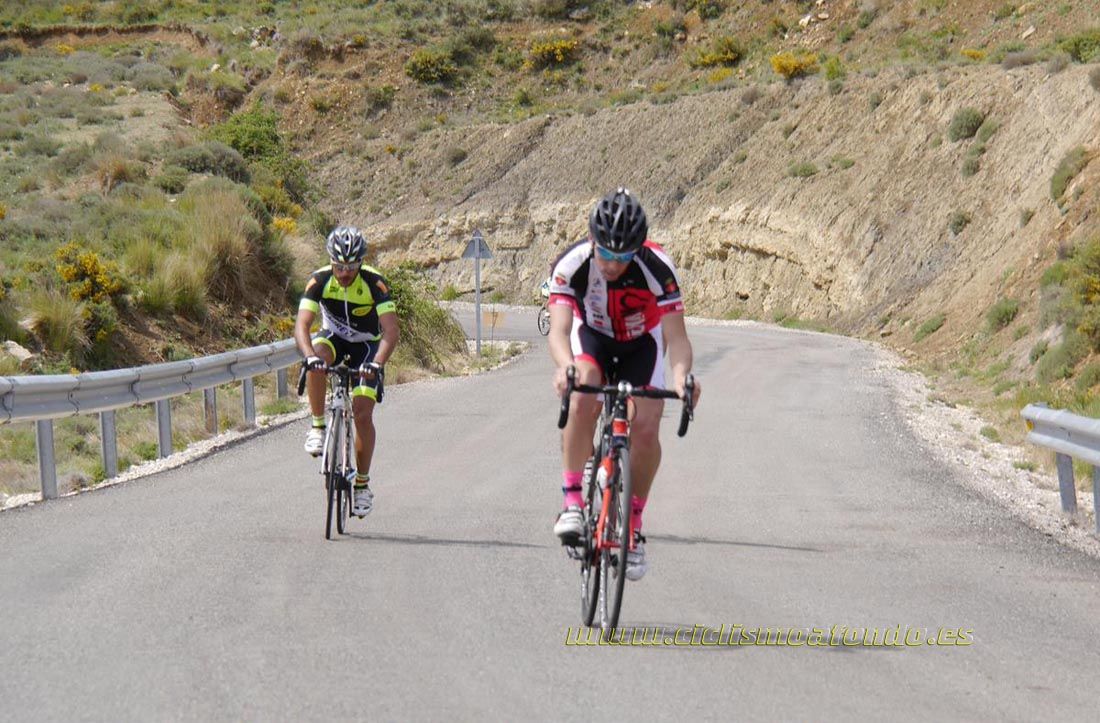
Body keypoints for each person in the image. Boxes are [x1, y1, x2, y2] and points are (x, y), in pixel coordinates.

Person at [547, 188, 701, 581]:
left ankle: (632, 529)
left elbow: (678, 339)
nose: (613, 264)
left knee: (647, 428)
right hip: (593, 338)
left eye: (623, 256)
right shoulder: (572, 263)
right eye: (606, 254)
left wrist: (683, 379)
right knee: (583, 390)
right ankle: (571, 502)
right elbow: (560, 330)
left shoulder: (658, 266)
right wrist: (565, 367)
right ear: (592, 240)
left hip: (641, 345)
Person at [294, 226, 400, 517]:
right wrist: (308, 357)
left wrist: (376, 364)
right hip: (335, 341)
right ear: (331, 262)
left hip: (367, 349)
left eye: (351, 267)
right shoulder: (319, 280)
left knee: (363, 413)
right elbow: (302, 325)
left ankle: (363, 486)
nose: (344, 273)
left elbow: (391, 331)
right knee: (317, 357)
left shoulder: (374, 283)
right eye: (339, 266)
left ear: (361, 263)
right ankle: (317, 426)